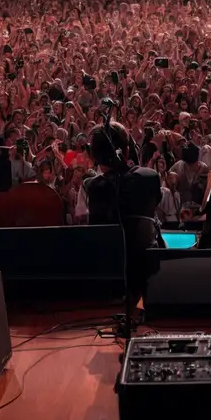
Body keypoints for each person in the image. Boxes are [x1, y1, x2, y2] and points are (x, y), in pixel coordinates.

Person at [75, 121, 164, 297]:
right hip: (148, 278)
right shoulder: (150, 177)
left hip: (106, 281)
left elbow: (83, 219)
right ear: (127, 150)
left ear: (94, 156)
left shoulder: (91, 187)